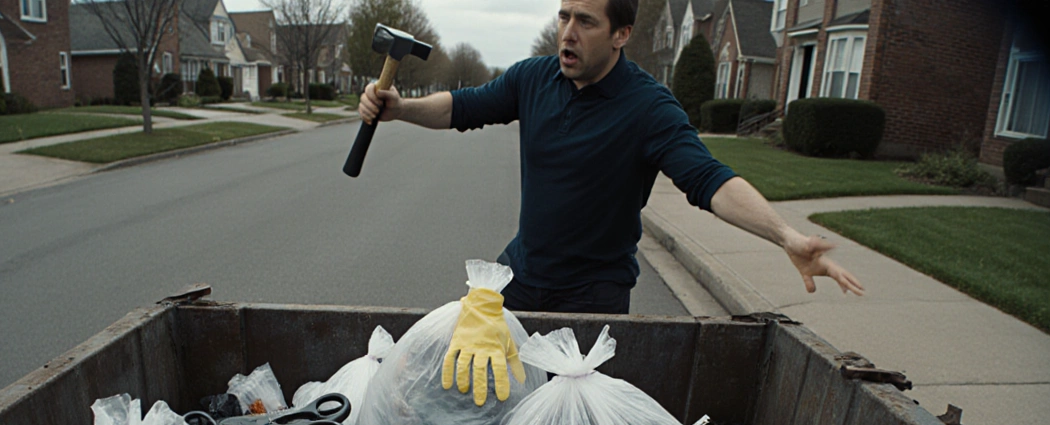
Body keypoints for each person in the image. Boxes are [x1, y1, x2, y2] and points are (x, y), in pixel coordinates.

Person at [359, 0, 865, 314]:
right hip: (521, 275)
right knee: (479, 394)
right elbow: (464, 107)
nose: (567, 33)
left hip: (591, 297)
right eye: (562, 16)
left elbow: (709, 179)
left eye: (585, 21)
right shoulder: (533, 78)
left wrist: (784, 235)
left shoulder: (648, 107)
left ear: (621, 34)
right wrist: (401, 108)